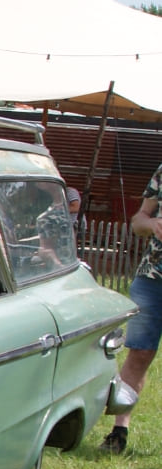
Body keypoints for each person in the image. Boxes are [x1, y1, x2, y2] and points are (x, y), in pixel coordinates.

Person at [99, 165, 162, 454]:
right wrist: (150, 225)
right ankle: (118, 431)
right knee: (139, 353)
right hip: (152, 280)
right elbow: (138, 220)